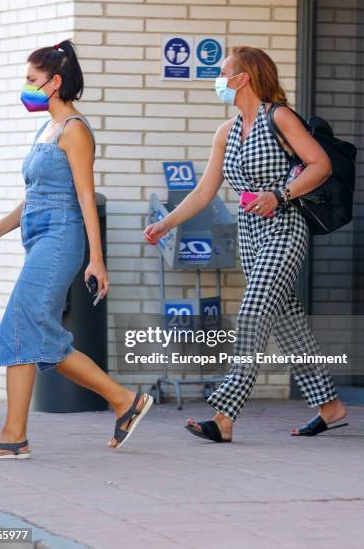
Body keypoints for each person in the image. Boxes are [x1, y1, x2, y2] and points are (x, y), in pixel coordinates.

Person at [143, 46, 348, 443]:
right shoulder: (228, 131)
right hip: (249, 236)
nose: (218, 80)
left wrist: (281, 195)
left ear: (244, 78)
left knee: (252, 312)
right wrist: (165, 223)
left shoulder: (280, 117)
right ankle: (329, 406)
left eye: (224, 73)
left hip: (285, 229)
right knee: (288, 324)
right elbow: (205, 191)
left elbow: (320, 164)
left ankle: (224, 414)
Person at [0, 39, 153, 459]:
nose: (26, 87)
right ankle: (125, 401)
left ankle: (15, 436)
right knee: (39, 336)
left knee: (19, 326)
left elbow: (86, 197)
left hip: (61, 239)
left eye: (32, 79)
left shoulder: (75, 130)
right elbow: (35, 195)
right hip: (37, 238)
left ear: (55, 82)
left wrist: (97, 261)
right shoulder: (46, 128)